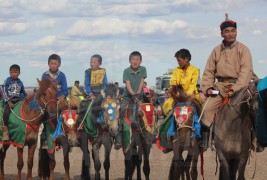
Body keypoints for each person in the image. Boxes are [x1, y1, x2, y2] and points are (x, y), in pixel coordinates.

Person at [199, 14, 253, 149]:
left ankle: (256, 140)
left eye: (233, 30)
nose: (230, 34)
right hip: (220, 86)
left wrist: (236, 89)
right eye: (227, 31)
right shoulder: (216, 51)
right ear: (222, 34)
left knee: (254, 107)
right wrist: (208, 88)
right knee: (207, 108)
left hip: (240, 86)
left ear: (236, 32)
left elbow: (246, 72)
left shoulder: (243, 49)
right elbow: (208, 72)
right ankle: (206, 140)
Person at [114, 51, 147, 150]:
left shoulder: (143, 69)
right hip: (128, 97)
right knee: (121, 111)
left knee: (148, 111)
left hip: (139, 96)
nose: (135, 61)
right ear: (129, 61)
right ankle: (119, 137)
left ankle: (151, 132)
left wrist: (137, 94)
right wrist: (133, 94)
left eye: (137, 59)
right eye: (133, 59)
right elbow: (127, 84)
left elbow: (142, 82)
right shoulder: (126, 71)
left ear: (140, 61)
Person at [162, 48, 203, 117]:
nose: (178, 63)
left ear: (186, 59)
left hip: (192, 95)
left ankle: (203, 125)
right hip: (178, 96)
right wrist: (178, 94)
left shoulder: (194, 70)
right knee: (167, 105)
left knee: (203, 107)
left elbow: (193, 84)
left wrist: (187, 95)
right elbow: (173, 84)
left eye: (179, 60)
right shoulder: (176, 70)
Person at [41, 54, 68, 148]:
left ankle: (68, 134)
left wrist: (62, 96)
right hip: (48, 101)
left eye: (55, 63)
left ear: (59, 65)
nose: (53, 65)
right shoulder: (45, 75)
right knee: (42, 116)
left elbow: (65, 89)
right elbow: (43, 89)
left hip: (59, 100)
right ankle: (44, 138)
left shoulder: (62, 75)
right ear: (48, 64)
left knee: (67, 114)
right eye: (51, 63)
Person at [2, 64, 27, 140]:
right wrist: (9, 102)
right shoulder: (8, 80)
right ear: (9, 72)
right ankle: (5, 130)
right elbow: (4, 92)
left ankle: (24, 129)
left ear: (19, 73)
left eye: (16, 72)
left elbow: (23, 93)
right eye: (12, 72)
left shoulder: (20, 82)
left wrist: (27, 99)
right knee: (6, 113)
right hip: (10, 100)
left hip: (19, 100)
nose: (13, 74)